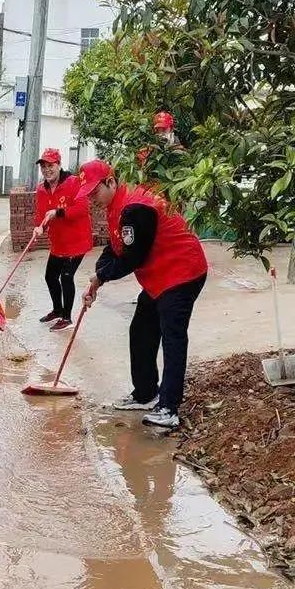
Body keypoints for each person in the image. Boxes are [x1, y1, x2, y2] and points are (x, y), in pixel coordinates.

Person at [78, 159, 208, 429]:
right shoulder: (117, 208)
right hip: (159, 278)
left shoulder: (136, 208)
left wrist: (101, 277)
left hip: (181, 271)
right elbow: (115, 249)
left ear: (111, 182)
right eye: (88, 194)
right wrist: (97, 278)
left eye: (94, 192)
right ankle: (146, 393)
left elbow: (132, 258)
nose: (92, 199)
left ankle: (169, 408)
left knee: (172, 338)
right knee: (141, 330)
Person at [32, 148, 94, 331]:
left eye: (50, 165)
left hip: (77, 242)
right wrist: (39, 227)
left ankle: (67, 317)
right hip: (58, 242)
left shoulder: (73, 182)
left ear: (59, 165)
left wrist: (59, 212)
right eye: (43, 166)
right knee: (50, 276)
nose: (47, 169)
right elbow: (41, 214)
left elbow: (82, 209)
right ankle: (57, 310)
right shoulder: (41, 189)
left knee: (66, 276)